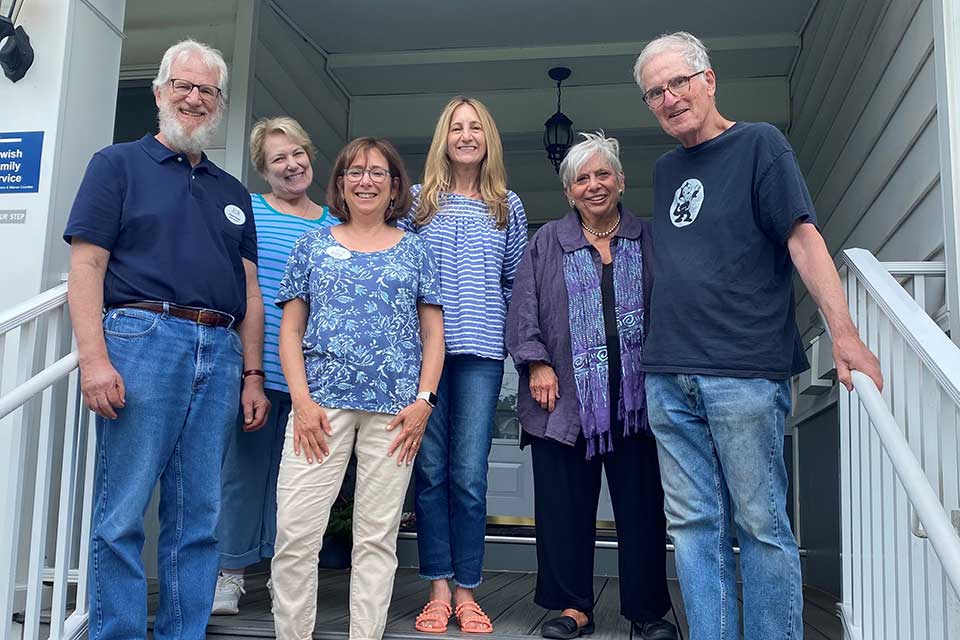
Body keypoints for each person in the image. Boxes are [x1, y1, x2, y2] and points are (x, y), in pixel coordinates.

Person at [633, 32, 883, 640]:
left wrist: (843, 334)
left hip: (743, 370)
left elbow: (802, 239)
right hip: (668, 373)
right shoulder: (667, 169)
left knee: (760, 523)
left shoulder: (761, 144)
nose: (669, 99)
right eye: (654, 92)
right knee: (693, 525)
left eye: (678, 82)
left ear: (709, 79)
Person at [63, 39, 270, 639]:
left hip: (221, 350)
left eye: (207, 90)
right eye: (184, 85)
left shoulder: (233, 193)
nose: (194, 98)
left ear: (219, 104)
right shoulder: (115, 165)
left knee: (198, 515)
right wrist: (94, 359)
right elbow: (87, 268)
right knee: (123, 510)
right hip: (140, 339)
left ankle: (183, 632)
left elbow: (250, 292)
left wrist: (252, 374)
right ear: (159, 92)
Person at [270, 137, 445, 640]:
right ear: (341, 184)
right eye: (354, 172)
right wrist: (301, 402)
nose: (365, 180)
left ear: (394, 187)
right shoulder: (312, 244)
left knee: (376, 540)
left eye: (377, 173)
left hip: (395, 414)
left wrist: (424, 401)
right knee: (296, 536)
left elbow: (434, 333)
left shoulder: (415, 249)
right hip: (319, 410)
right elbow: (290, 331)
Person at [506, 132, 677, 640]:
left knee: (643, 510)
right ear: (568, 192)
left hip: (636, 400)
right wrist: (536, 363)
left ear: (621, 181)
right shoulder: (546, 241)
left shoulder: (648, 238)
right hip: (562, 397)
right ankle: (572, 607)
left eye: (603, 174)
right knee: (563, 509)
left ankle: (647, 613)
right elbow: (523, 310)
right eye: (582, 178)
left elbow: (674, 303)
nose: (594, 185)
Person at [401, 96, 527, 635]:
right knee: (429, 475)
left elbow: (516, 285)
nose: (467, 135)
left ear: (488, 138)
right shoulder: (416, 202)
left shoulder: (507, 206)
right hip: (423, 357)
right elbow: (399, 271)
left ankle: (468, 592)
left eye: (476, 127)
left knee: (469, 477)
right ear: (444, 138)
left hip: (480, 355)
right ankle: (436, 589)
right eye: (457, 127)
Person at [212, 116, 336, 615]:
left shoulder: (333, 224)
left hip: (316, 377)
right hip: (256, 367)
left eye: (297, 153)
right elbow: (244, 290)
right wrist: (249, 374)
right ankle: (231, 575)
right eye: (278, 159)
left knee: (304, 485)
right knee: (243, 473)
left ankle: (288, 580)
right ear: (264, 171)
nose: (292, 165)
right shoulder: (250, 213)